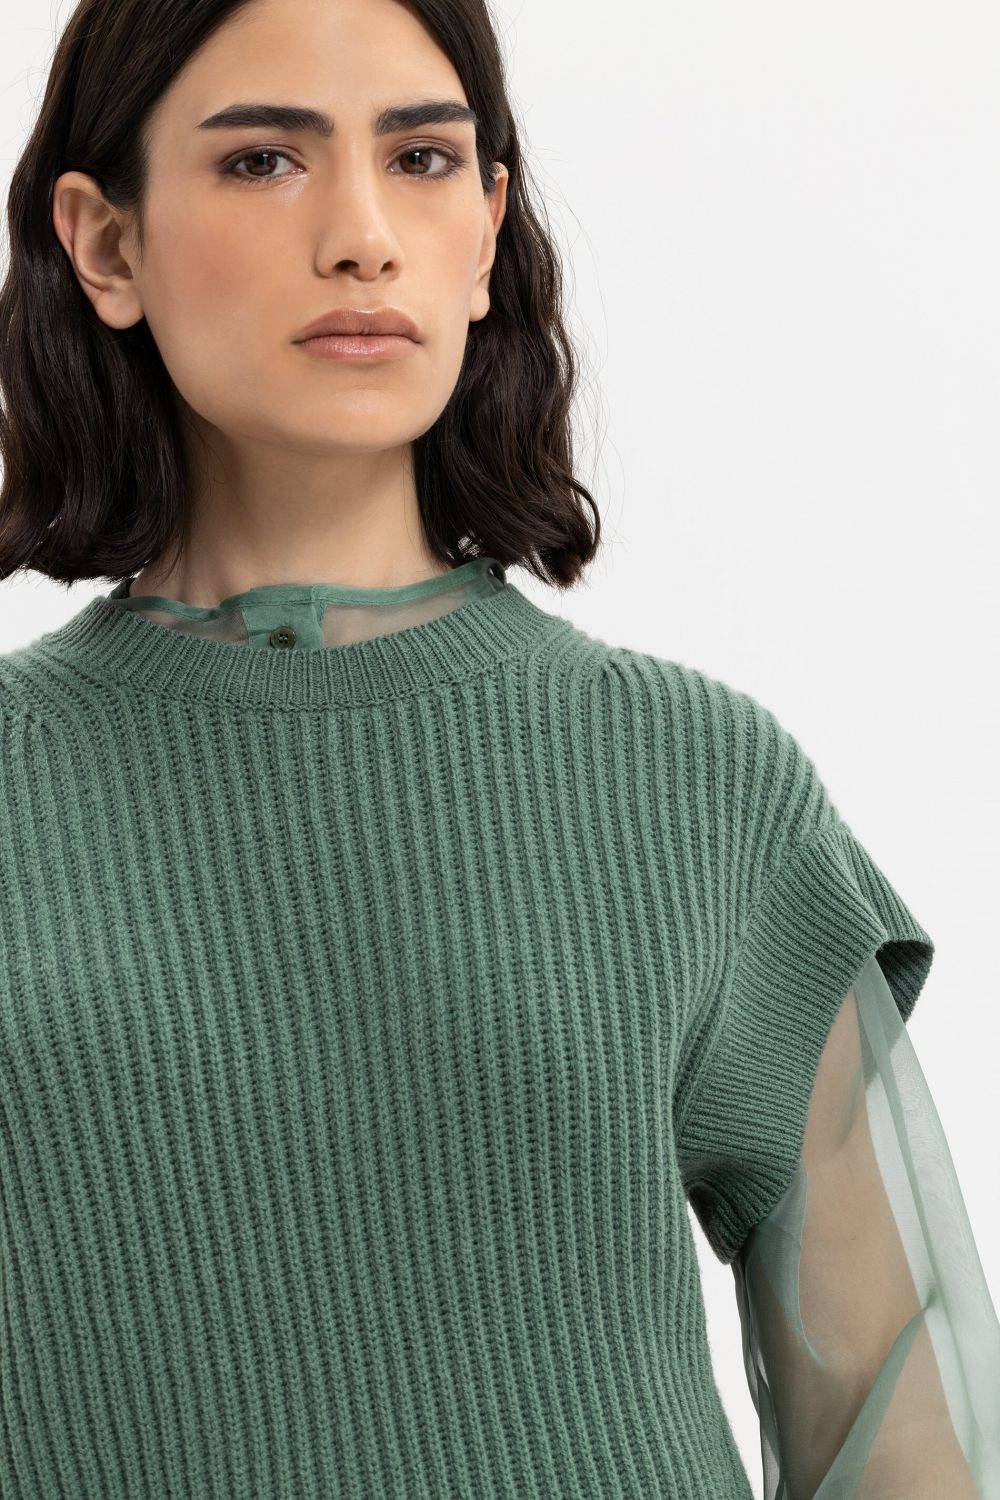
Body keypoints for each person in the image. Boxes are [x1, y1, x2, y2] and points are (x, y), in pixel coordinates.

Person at [0, 0, 996, 1495]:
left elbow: (896, 1411)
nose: (361, 238)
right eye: (264, 160)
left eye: (421, 159)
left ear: (483, 235)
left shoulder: (696, 781)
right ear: (106, 244)